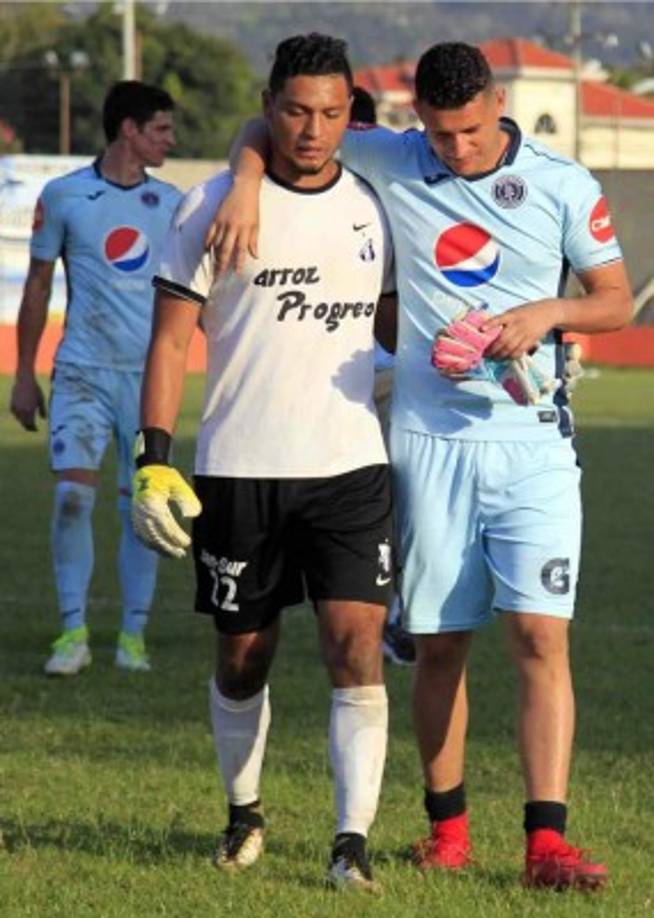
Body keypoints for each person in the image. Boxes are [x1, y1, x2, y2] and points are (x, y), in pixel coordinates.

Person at [204, 41, 633, 890]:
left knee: (541, 636)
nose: (456, 151)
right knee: (438, 646)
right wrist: (247, 182)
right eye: (439, 136)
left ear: (498, 103)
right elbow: (272, 122)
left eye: (470, 132)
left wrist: (544, 312)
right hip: (428, 448)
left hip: (534, 441)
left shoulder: (561, 182)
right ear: (414, 124)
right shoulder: (392, 157)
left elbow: (614, 298)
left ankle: (546, 843)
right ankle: (448, 830)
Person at [131, 34, 394, 890]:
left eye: (329, 112)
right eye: (294, 110)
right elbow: (171, 343)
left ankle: (350, 841)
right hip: (241, 469)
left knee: (355, 645)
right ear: (268, 104)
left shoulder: (376, 206)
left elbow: (392, 330)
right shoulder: (211, 203)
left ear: (351, 111)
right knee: (243, 655)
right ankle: (245, 813)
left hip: (352, 466)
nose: (312, 129)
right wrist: (153, 458)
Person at [10, 81, 180, 676]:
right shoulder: (64, 197)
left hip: (148, 380)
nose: (170, 140)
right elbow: (36, 286)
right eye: (160, 128)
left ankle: (133, 637)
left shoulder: (176, 204)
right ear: (128, 131)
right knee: (71, 499)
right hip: (81, 371)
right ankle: (72, 634)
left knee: (144, 508)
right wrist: (25, 376)